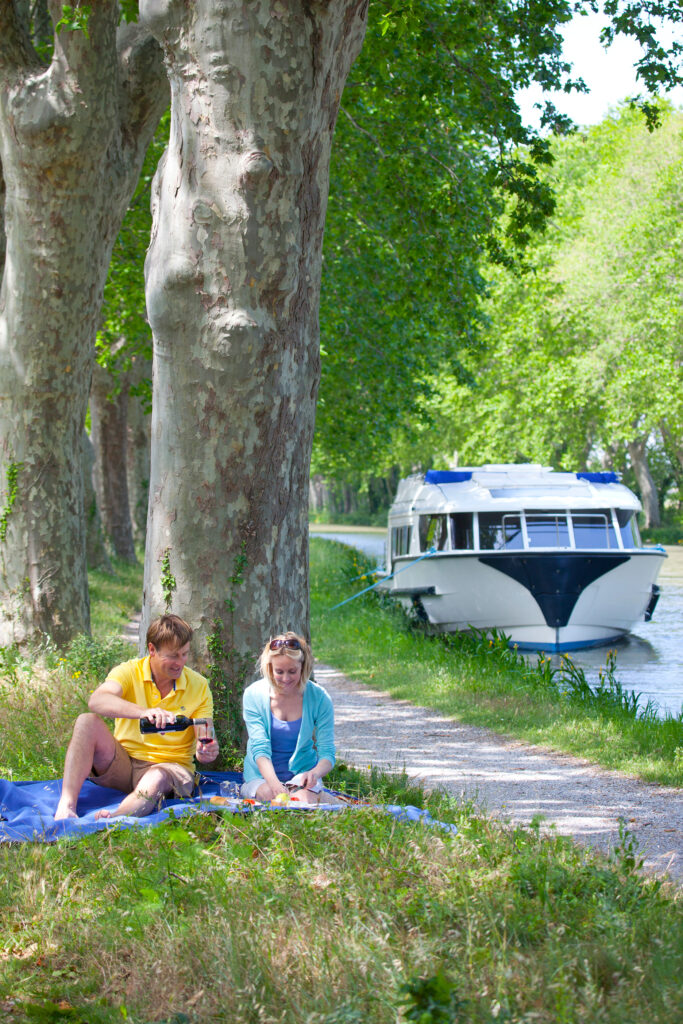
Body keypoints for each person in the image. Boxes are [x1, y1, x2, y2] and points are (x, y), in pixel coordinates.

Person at [54, 614, 219, 820]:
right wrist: (143, 712)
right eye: (173, 656)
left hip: (169, 768)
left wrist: (206, 750)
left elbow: (205, 733)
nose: (180, 662)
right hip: (124, 763)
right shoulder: (129, 671)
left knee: (157, 776)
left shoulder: (199, 685)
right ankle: (66, 806)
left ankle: (115, 820)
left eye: (184, 654)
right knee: (86, 721)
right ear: (152, 650)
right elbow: (97, 701)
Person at [241, 632, 335, 804]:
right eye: (279, 672)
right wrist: (275, 784)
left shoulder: (320, 698)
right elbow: (259, 749)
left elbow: (327, 753)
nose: (285, 679)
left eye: (292, 671)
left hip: (302, 775)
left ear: (303, 666)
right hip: (261, 777)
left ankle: (325, 800)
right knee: (270, 796)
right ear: (270, 668)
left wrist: (313, 774)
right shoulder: (253, 695)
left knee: (303, 799)